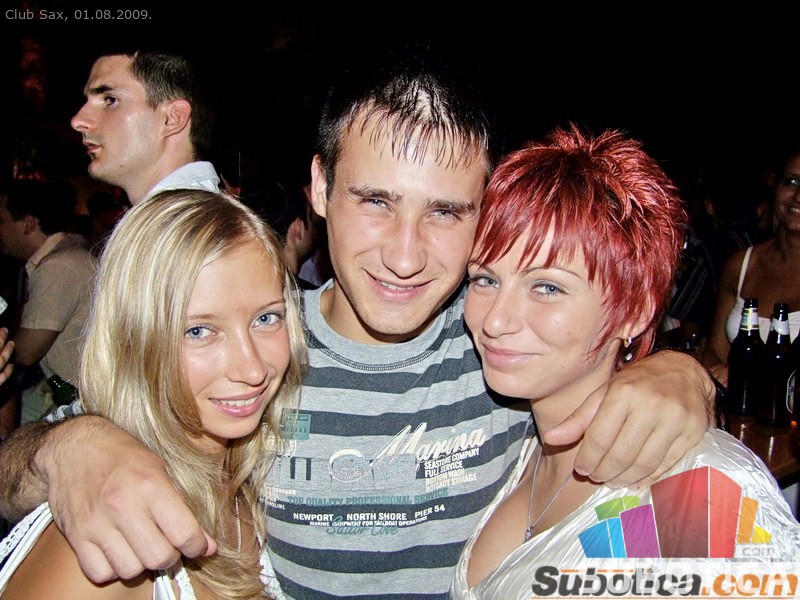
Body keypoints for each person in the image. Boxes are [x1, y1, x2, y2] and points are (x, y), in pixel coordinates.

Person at [0, 44, 715, 599]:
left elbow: (599, 366)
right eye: (376, 201)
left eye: (445, 212)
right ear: (319, 186)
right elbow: (31, 463)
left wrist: (678, 373)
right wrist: (71, 448)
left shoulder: (502, 346)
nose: (405, 257)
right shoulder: (257, 349)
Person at [451, 126, 800, 599]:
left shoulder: (695, 489)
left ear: (633, 311)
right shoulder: (519, 445)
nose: (495, 320)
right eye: (485, 280)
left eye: (547, 287)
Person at [0, 189, 305, 599]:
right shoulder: (103, 550)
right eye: (199, 330)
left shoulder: (242, 477)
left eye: (266, 318)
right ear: (134, 339)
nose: (252, 369)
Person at [70, 48, 220, 206]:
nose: (77, 121)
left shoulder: (202, 220)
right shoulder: (178, 215)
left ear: (172, 118)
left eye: (110, 100)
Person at [0, 179, 96, 423]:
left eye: (1, 221)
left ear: (28, 223)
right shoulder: (69, 249)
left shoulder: (58, 267)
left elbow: (24, 353)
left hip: (87, 401)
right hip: (68, 390)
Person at [703, 147, 800, 381]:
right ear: (775, 185)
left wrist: (745, 376)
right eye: (791, 181)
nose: (798, 196)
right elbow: (714, 351)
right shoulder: (741, 265)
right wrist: (717, 368)